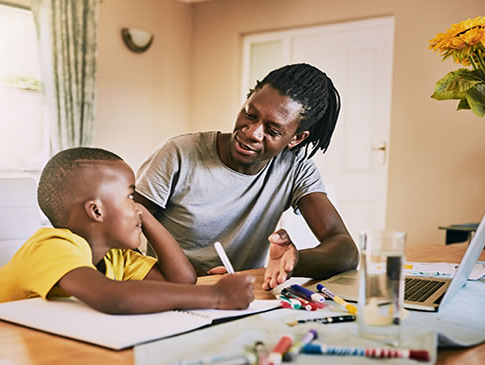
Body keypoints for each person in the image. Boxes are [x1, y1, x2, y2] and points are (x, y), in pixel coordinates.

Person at [135, 63, 359, 290]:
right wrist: (189, 278)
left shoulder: (296, 170)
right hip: (170, 290)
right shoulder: (179, 154)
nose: (252, 132)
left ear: (296, 138)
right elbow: (115, 237)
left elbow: (346, 251)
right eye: (250, 114)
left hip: (240, 298)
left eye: (272, 131)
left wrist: (295, 262)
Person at [0, 147, 255, 314]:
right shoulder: (52, 245)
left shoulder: (116, 258)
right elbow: (113, 297)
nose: (138, 205)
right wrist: (216, 298)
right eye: (130, 196)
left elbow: (182, 280)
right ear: (96, 211)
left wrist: (144, 217)